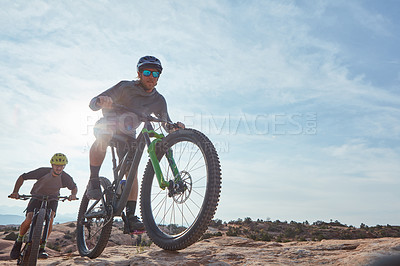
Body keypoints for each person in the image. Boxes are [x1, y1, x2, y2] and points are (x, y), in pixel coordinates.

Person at [85, 55, 184, 233]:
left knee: (132, 172)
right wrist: (102, 101)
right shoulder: (125, 87)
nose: (151, 76)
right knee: (105, 133)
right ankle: (93, 180)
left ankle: (130, 217)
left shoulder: (158, 100)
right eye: (146, 72)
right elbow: (93, 103)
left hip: (129, 136)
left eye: (155, 73)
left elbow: (166, 123)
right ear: (139, 73)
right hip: (110, 124)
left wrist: (175, 127)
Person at [9, 153, 78, 259]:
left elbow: (74, 187)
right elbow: (23, 177)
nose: (59, 168)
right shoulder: (42, 172)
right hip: (37, 196)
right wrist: (15, 192)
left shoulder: (65, 177)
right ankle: (18, 241)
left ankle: (42, 246)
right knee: (29, 218)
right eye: (56, 165)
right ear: (52, 165)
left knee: (50, 218)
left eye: (61, 165)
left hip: (53, 199)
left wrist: (73, 195)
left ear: (64, 166)